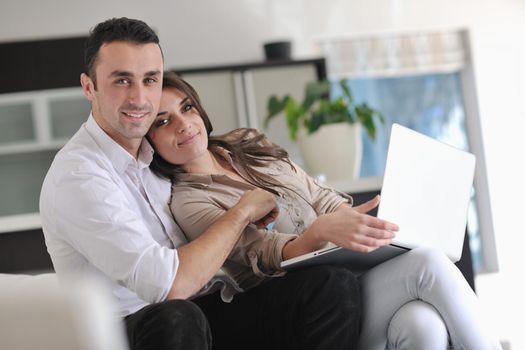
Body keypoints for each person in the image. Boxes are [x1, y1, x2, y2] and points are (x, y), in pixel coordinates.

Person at [40, 17, 362, 350]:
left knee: (328, 286)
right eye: (122, 81)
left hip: (202, 309)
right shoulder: (78, 176)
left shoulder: (155, 157)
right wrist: (241, 213)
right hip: (128, 329)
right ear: (89, 87)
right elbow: (168, 287)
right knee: (177, 316)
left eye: (150, 79)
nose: (139, 97)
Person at [147, 72, 503, 350]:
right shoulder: (187, 200)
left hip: (353, 270)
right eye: (162, 122)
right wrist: (318, 234)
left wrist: (355, 222)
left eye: (187, 107)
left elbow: (322, 197)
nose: (183, 124)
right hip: (317, 303)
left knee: (421, 323)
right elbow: (262, 254)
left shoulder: (246, 142)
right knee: (429, 263)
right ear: (148, 141)